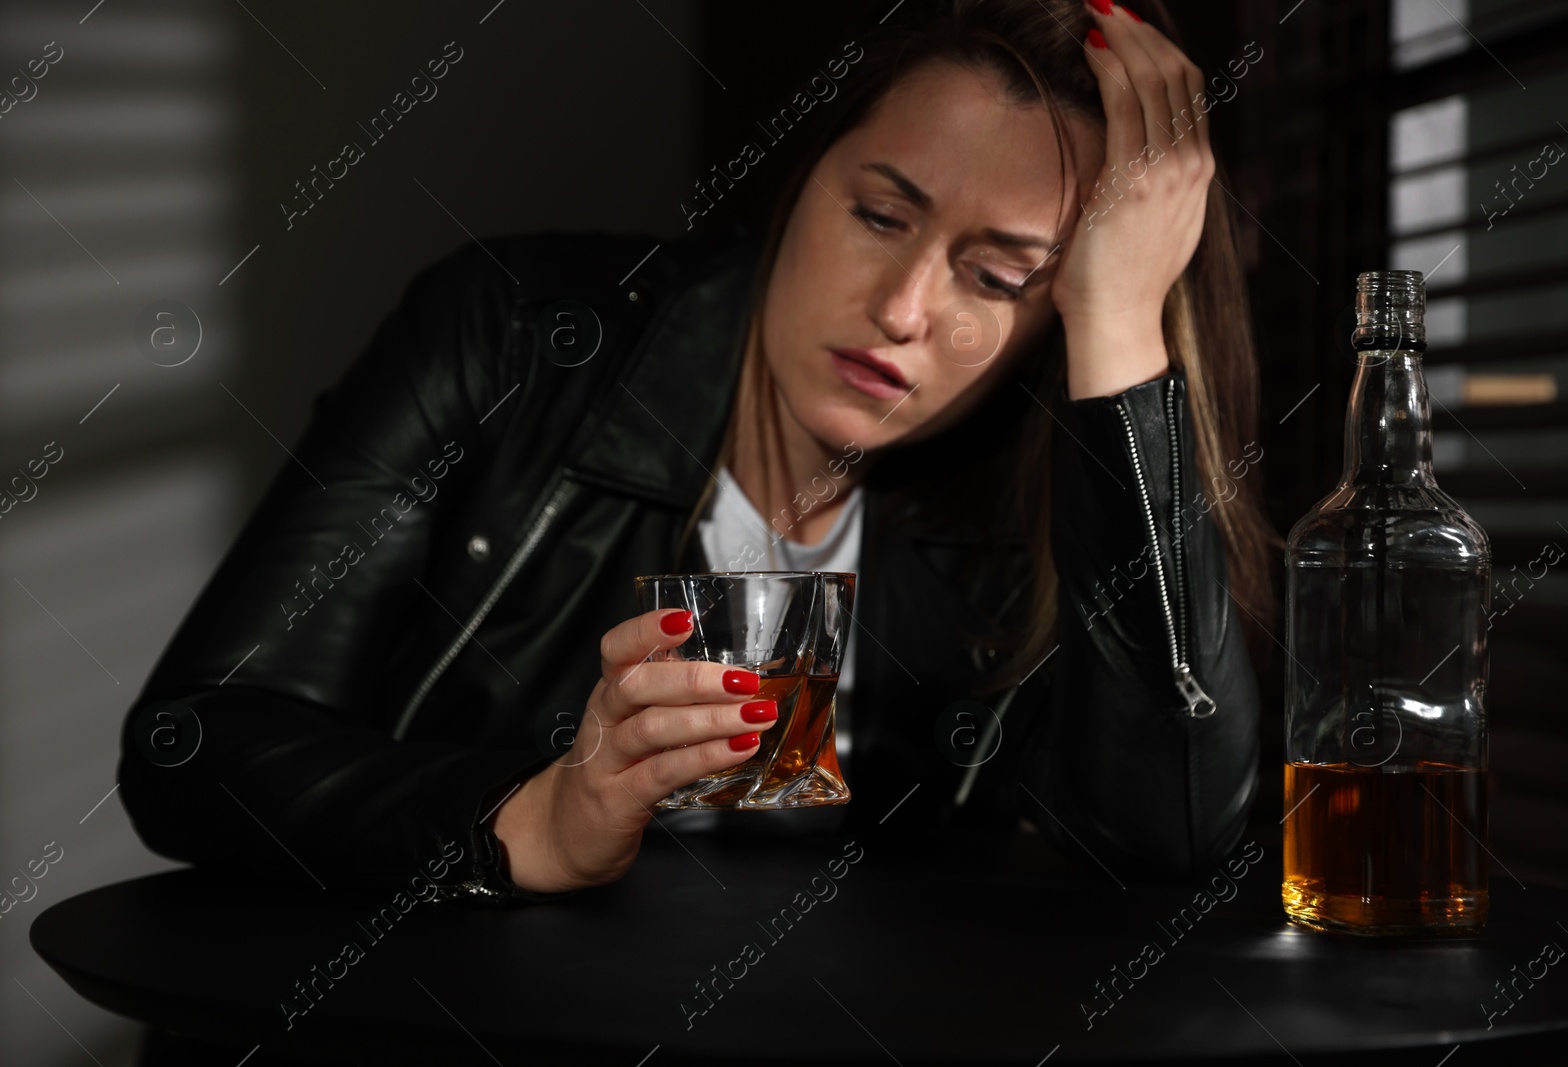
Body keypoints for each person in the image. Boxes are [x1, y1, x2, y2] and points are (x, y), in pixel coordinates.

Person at [119, 0, 1274, 909]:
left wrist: (1122, 330)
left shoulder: (1028, 494)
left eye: (998, 278)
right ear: (803, 177)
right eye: (879, 215)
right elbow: (197, 743)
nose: (904, 307)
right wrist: (535, 819)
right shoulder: (515, 337)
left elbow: (1166, 832)